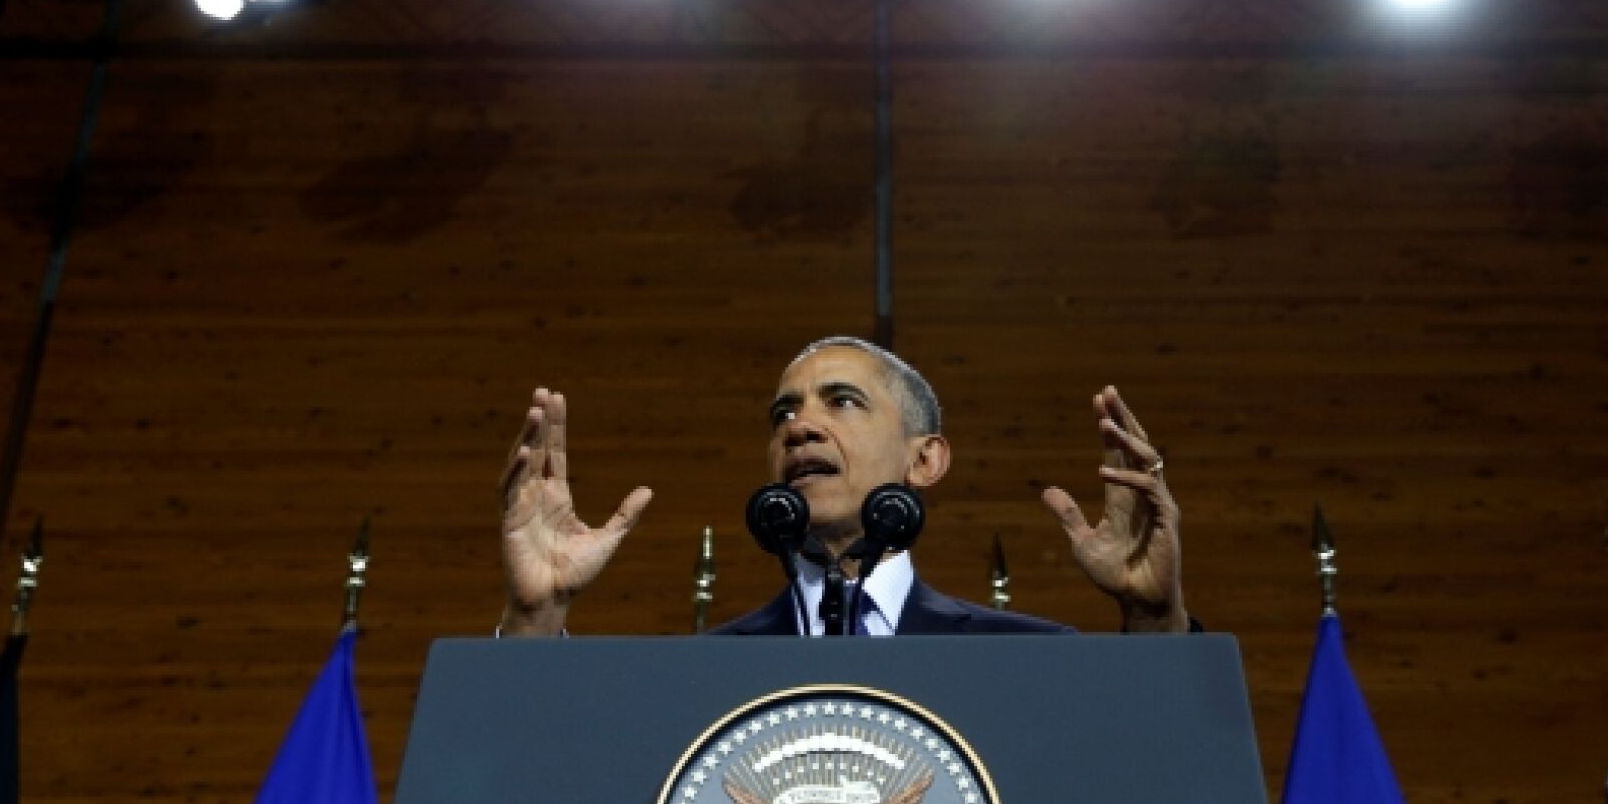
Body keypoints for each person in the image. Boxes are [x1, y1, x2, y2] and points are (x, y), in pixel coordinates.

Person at [495, 336, 1193, 636]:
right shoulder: (699, 675)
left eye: (842, 402)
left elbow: (1159, 797)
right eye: (783, 413)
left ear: (925, 461)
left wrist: (1156, 618)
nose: (800, 426)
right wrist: (537, 617)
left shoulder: (1025, 659)